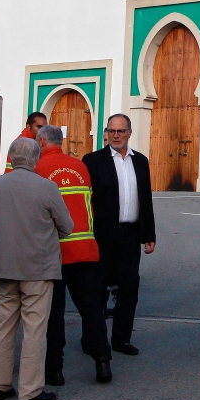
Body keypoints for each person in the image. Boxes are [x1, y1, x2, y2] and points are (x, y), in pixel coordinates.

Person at [0, 138, 74, 400]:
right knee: (34, 330)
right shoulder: (47, 187)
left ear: (11, 157)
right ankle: (30, 390)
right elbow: (67, 226)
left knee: (2, 325)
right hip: (38, 269)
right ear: (36, 159)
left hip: (3, 267)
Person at [34, 125, 113, 385]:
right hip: (85, 249)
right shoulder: (80, 167)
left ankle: (54, 370)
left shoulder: (39, 169)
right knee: (91, 310)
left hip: (53, 252)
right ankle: (102, 362)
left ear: (43, 141)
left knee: (54, 314)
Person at [82, 114, 156, 356]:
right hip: (102, 236)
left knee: (129, 288)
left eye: (121, 131)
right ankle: (93, 340)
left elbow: (146, 199)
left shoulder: (140, 161)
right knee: (97, 289)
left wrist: (149, 234)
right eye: (112, 131)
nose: (116, 135)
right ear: (106, 133)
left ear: (129, 133)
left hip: (130, 235)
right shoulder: (92, 161)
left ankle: (121, 339)